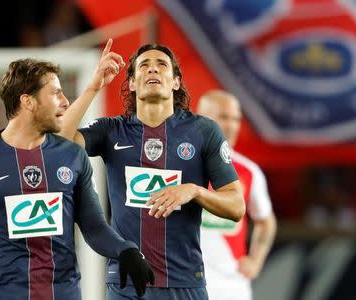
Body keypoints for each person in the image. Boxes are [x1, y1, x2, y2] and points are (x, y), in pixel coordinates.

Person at [0, 45, 154, 300]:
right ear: (28, 101)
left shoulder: (72, 156)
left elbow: (94, 226)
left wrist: (125, 250)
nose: (65, 101)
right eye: (56, 93)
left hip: (63, 294)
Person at [59, 42, 245, 299]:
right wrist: (93, 87)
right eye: (144, 66)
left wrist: (194, 191)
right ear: (133, 83)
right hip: (126, 282)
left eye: (161, 65)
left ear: (175, 82)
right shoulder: (112, 130)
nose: (152, 70)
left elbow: (236, 206)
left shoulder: (203, 131)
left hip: (185, 282)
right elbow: (57, 144)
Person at [196, 90, 277, 300]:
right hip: (184, 281)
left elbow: (266, 221)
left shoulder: (248, 171)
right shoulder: (176, 164)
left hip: (230, 286)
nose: (232, 125)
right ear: (201, 117)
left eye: (236, 119)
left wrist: (255, 261)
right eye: (224, 117)